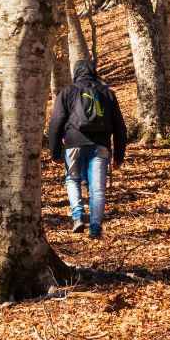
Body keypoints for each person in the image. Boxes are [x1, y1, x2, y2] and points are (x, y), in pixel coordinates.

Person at [48, 60, 127, 239]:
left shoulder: (67, 91)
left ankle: (78, 217)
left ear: (75, 72)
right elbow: (120, 127)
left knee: (73, 180)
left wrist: (54, 151)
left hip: (73, 143)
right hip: (101, 146)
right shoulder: (107, 92)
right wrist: (119, 156)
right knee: (98, 189)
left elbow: (56, 122)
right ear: (94, 72)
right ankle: (95, 228)